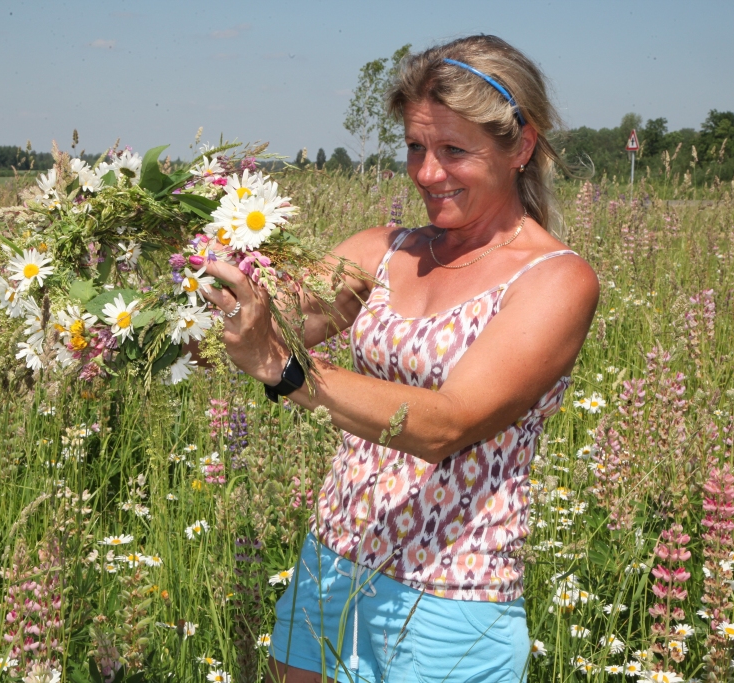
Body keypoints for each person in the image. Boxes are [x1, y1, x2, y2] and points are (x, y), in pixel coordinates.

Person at [202, 34, 599, 683]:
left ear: (520, 146)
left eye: (453, 150)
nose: (426, 172)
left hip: (449, 601)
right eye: (416, 146)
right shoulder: (385, 250)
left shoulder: (555, 281)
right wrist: (151, 295)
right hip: (332, 564)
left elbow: (447, 422)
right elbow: (259, 315)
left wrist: (287, 370)